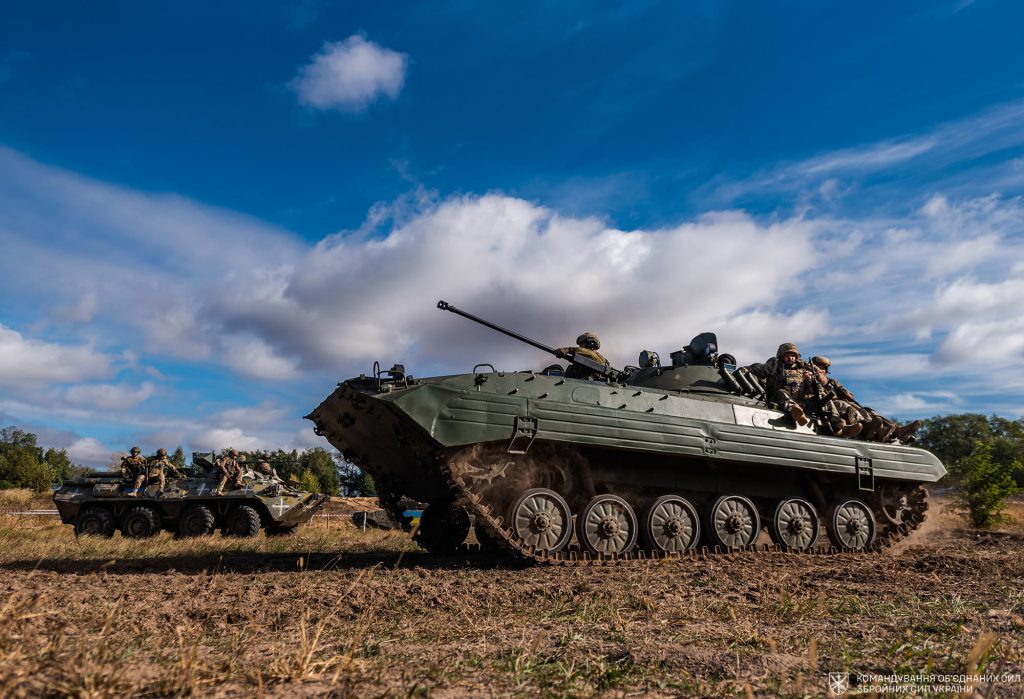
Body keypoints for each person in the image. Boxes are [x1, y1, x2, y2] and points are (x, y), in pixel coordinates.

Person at [809, 356, 922, 443]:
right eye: (818, 367)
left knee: (869, 411)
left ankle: (896, 430)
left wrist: (843, 392)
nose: (820, 370)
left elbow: (849, 396)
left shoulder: (832, 382)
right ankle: (858, 427)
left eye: (823, 368)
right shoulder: (810, 379)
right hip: (829, 407)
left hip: (845, 406)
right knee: (842, 404)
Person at [745, 343, 815, 426]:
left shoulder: (805, 369)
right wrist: (746, 369)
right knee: (781, 392)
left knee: (823, 398)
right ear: (782, 356)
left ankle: (833, 421)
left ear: (796, 357)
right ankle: (796, 413)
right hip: (781, 401)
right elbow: (760, 369)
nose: (790, 358)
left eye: (792, 355)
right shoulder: (776, 367)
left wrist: (810, 380)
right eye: (787, 355)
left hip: (802, 402)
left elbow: (813, 390)